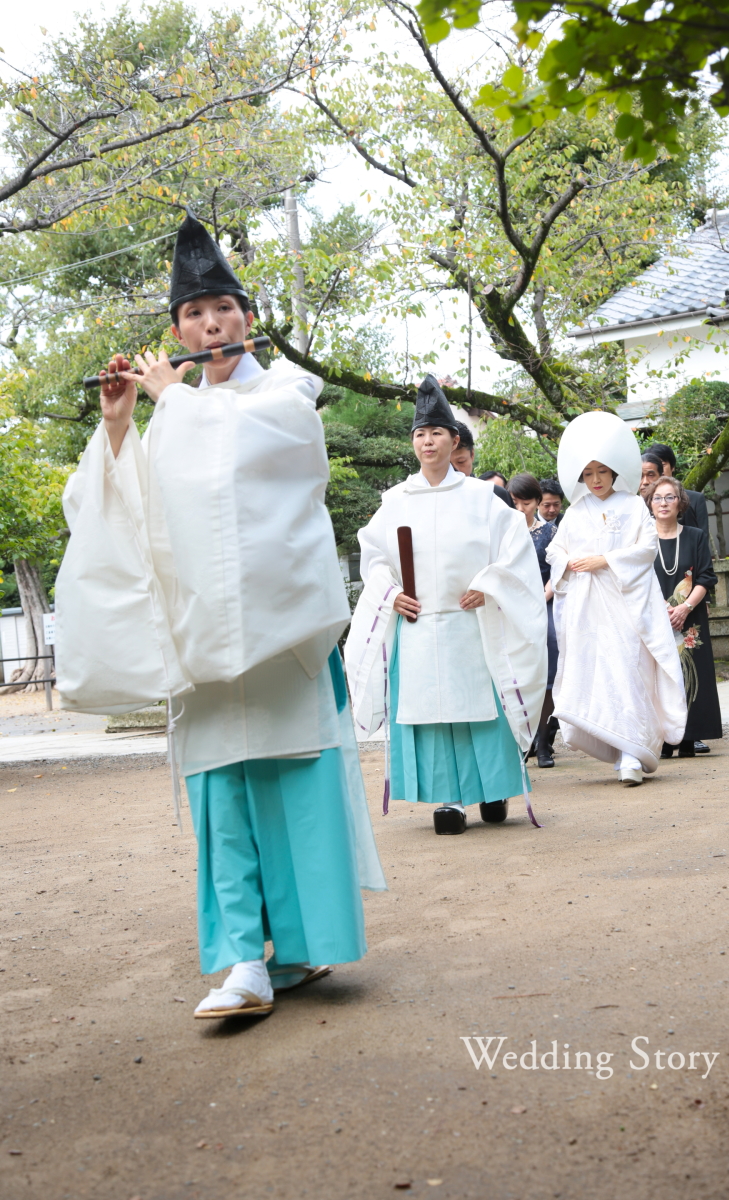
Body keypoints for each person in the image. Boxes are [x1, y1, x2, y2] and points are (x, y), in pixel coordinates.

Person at [56, 209, 386, 1020]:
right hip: (201, 642)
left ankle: (302, 950)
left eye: (224, 311)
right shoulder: (172, 412)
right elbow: (132, 512)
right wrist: (121, 424)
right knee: (223, 804)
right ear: (177, 327)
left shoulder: (284, 396)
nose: (211, 324)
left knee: (293, 791)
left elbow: (266, 469)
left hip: (279, 644)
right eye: (195, 316)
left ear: (247, 318)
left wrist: (175, 404)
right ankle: (243, 959)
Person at [345, 376, 548, 834]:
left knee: (482, 706)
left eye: (436, 432)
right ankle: (449, 798)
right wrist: (389, 592)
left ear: (454, 439)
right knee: (430, 714)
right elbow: (374, 556)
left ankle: (493, 789)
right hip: (419, 624)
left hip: (470, 622)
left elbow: (514, 552)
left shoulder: (482, 499)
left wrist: (491, 584)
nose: (427, 441)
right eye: (419, 434)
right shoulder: (395, 501)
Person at [545, 411, 687, 786]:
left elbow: (647, 547)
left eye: (601, 472)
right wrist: (570, 562)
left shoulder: (632, 506)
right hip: (588, 608)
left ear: (614, 472)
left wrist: (605, 559)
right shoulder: (575, 513)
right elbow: (554, 551)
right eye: (588, 474)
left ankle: (633, 753)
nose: (595, 480)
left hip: (627, 604)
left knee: (629, 669)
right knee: (599, 672)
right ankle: (617, 746)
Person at [645, 477, 723, 757]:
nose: (663, 503)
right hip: (652, 618)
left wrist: (684, 608)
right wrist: (659, 610)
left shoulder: (695, 536)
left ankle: (689, 737)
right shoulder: (641, 539)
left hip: (689, 616)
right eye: (657, 498)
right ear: (649, 504)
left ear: (681, 503)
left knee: (691, 674)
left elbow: (705, 577)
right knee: (658, 676)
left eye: (670, 497)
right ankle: (663, 739)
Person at [508, 473, 559, 769]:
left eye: (526, 502)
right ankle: (520, 740)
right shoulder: (502, 532)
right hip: (512, 604)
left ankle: (543, 741)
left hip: (544, 600)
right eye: (514, 502)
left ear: (537, 502)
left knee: (550, 644)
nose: (520, 508)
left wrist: (542, 598)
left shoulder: (550, 532)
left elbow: (558, 571)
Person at [646, 442, 710, 538]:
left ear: (672, 467)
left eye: (662, 465)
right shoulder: (644, 502)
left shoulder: (696, 499)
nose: (659, 470)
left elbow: (704, 538)